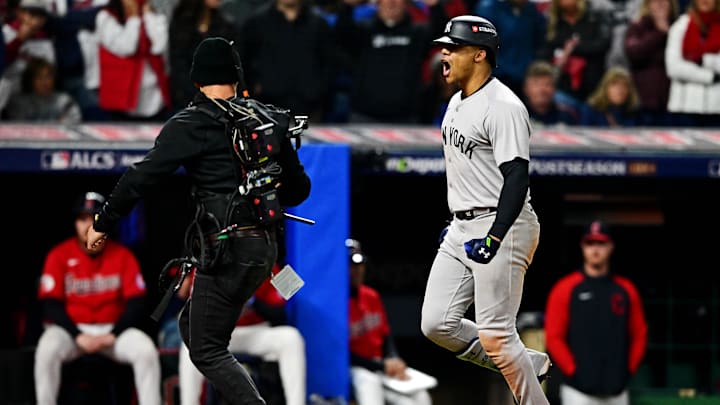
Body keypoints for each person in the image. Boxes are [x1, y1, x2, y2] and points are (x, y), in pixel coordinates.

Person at [86, 36, 311, 405]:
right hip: (265, 247)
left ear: (195, 81)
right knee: (192, 327)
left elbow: (141, 177)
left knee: (206, 348)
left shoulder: (190, 122)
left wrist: (104, 221)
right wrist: (258, 195)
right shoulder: (266, 119)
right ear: (237, 78)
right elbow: (300, 189)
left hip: (227, 248)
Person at [419, 15, 551, 405]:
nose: (444, 53)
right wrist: (459, 219)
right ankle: (526, 360)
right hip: (463, 224)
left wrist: (494, 234)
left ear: (479, 55)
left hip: (503, 223)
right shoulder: (456, 102)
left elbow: (516, 178)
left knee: (496, 334)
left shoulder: (504, 106)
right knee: (436, 324)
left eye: (454, 47)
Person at [34, 191, 161, 405]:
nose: (88, 226)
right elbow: (50, 305)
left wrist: (113, 334)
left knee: (146, 350)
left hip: (113, 332)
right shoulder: (59, 255)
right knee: (46, 349)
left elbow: (137, 303)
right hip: (72, 332)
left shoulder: (123, 255)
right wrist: (76, 335)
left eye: (95, 218)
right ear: (75, 224)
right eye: (83, 219)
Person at [544, 220, 648, 405]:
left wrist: (627, 370)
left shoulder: (625, 290)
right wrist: (573, 371)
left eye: (601, 243)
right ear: (582, 246)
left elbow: (639, 334)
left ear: (610, 246)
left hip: (616, 391)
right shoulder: (565, 289)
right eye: (590, 243)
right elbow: (554, 337)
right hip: (578, 392)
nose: (595, 249)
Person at [176, 266, 307, 405]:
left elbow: (282, 314)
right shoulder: (204, 261)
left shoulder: (267, 260)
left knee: (292, 338)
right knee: (189, 344)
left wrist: (253, 301)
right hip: (217, 334)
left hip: (255, 331)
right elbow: (183, 299)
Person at [347, 239, 432, 405]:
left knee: (421, 397)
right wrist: (381, 366)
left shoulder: (371, 296)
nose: (356, 270)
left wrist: (394, 359)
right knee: (371, 391)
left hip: (380, 365)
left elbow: (386, 336)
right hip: (355, 369)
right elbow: (343, 354)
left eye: (359, 265)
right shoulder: (334, 304)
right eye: (351, 265)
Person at [96, 0, 170, 120]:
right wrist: (133, 18)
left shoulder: (154, 15)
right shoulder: (105, 17)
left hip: (154, 100)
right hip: (122, 102)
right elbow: (127, 47)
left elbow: (159, 46)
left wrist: (148, 16)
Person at [664, 0, 720, 125]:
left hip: (716, 108)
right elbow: (673, 68)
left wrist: (703, 60)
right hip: (684, 108)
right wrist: (710, 76)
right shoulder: (680, 26)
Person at [624, 0, 678, 125]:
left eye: (664, 1)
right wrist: (659, 33)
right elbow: (634, 53)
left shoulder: (679, 26)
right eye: (655, 1)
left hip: (673, 99)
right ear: (647, 5)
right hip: (644, 99)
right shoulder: (637, 26)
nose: (659, 4)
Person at [5, 57, 82, 123]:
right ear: (30, 80)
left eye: (48, 77)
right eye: (39, 78)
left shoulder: (64, 101)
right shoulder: (18, 103)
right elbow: (18, 128)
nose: (45, 82)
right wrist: (56, 123)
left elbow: (74, 122)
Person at [521, 60, 579, 126]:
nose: (542, 89)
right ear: (526, 89)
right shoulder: (518, 116)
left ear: (555, 89)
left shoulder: (567, 115)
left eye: (547, 84)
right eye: (536, 84)